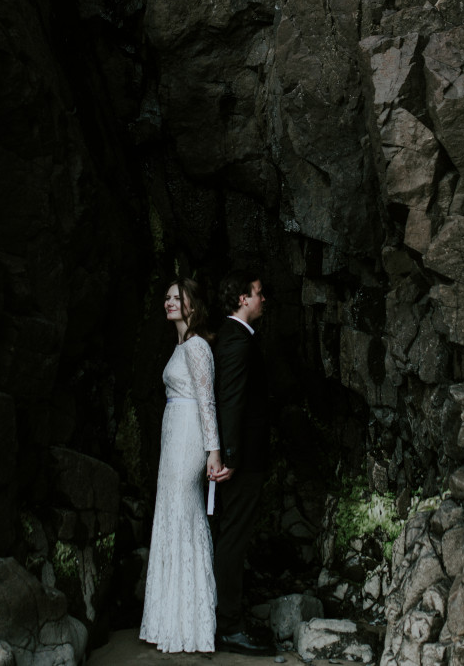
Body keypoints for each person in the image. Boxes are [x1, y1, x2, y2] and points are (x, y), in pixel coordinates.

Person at [139, 278, 226, 653]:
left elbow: (207, 400)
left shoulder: (196, 347)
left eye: (178, 298)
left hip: (190, 436)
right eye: (167, 298)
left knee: (184, 514)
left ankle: (195, 624)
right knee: (172, 516)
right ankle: (170, 621)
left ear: (193, 306)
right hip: (174, 434)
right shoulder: (181, 347)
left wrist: (213, 451)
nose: (170, 303)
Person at [211, 268, 269, 654]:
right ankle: (228, 626)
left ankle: (225, 618)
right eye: (259, 293)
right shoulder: (238, 342)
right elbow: (229, 400)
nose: (264, 299)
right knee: (232, 539)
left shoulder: (235, 338)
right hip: (240, 462)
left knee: (229, 536)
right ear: (242, 299)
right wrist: (229, 456)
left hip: (240, 458)